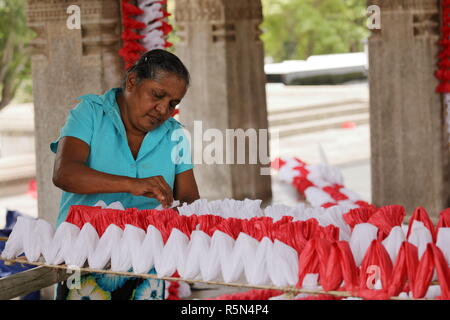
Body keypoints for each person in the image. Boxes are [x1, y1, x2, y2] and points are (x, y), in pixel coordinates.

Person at [50, 49, 200, 300]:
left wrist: (174, 214)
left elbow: (189, 198)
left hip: (146, 261)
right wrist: (132, 184)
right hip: (84, 256)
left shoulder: (175, 135)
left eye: (173, 103)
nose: (163, 109)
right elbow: (65, 174)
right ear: (132, 81)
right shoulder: (90, 113)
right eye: (157, 95)